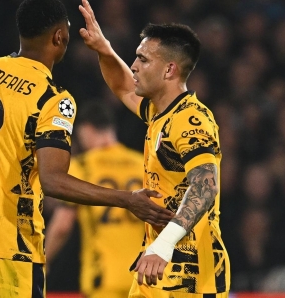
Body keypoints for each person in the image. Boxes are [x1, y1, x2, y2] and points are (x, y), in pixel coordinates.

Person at [0, 0, 174, 297]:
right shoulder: (53, 99)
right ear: (59, 37)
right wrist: (127, 200)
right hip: (13, 247)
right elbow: (53, 180)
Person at [78, 1, 230, 297]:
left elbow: (206, 184)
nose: (134, 66)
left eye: (143, 60)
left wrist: (163, 244)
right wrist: (103, 48)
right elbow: (123, 87)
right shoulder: (160, 114)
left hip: (191, 274)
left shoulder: (190, 118)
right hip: (155, 267)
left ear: (169, 69)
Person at [45, 102, 145, 298]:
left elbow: (63, 225)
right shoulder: (142, 163)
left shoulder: (82, 166)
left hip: (104, 279)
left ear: (87, 129)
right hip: (144, 277)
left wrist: (45, 259)